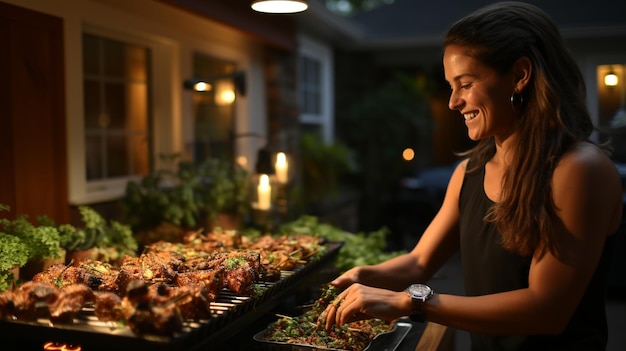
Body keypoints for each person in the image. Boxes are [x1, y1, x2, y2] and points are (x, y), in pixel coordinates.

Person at [321, 2, 623, 350]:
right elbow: (418, 262)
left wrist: (412, 302)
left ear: (519, 75)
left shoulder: (579, 170)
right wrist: (363, 276)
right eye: (451, 86)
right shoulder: (470, 171)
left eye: (465, 83)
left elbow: (547, 310)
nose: (453, 102)